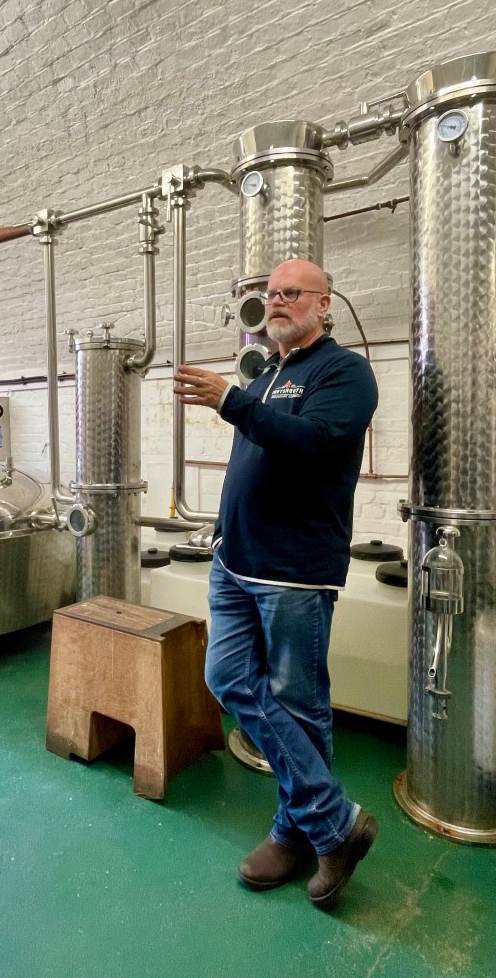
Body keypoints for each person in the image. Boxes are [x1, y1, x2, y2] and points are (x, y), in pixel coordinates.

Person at [172, 258, 379, 910]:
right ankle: (333, 822)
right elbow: (253, 456)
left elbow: (315, 442)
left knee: (297, 704)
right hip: (235, 561)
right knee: (226, 676)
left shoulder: (343, 372)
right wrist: (222, 530)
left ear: (324, 304)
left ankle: (295, 834)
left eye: (292, 292)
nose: (278, 301)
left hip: (294, 569)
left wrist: (230, 400)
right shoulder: (267, 375)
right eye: (271, 293)